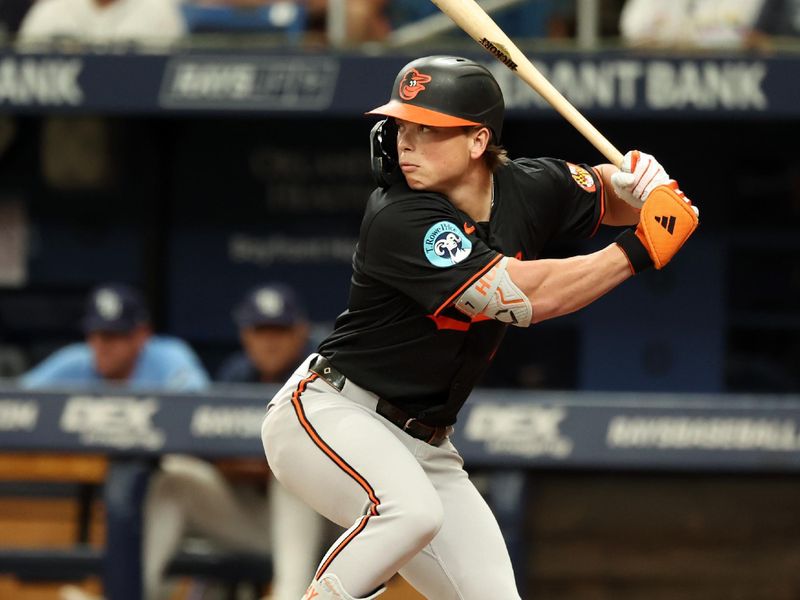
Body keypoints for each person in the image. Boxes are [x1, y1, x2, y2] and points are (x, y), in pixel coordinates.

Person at [260, 55, 699, 600]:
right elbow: (524, 297)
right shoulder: (399, 215)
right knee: (409, 512)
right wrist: (640, 248)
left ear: (477, 142)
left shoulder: (530, 186)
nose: (406, 142)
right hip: (333, 412)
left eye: (429, 128)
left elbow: (603, 192)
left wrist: (640, 188)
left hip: (426, 441)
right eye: (402, 125)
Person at [20, 283, 272, 600]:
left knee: (171, 475)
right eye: (97, 335)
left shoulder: (168, 356)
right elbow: (16, 404)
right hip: (160, 499)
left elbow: (198, 416)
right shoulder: (78, 360)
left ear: (141, 335)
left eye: (116, 336)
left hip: (223, 505)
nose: (103, 346)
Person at [216, 283, 331, 600]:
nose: (269, 342)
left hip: (329, 521)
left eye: (279, 331)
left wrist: (265, 465)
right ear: (245, 335)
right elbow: (215, 458)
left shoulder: (324, 373)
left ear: (301, 332)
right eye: (260, 331)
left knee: (291, 476)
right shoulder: (234, 375)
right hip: (254, 519)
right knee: (173, 479)